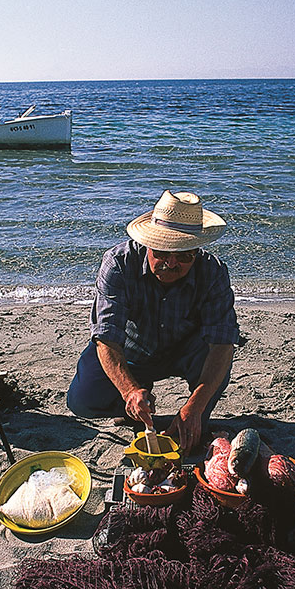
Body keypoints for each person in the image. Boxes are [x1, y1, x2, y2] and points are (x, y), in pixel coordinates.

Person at [66, 190, 239, 454]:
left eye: (184, 256)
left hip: (187, 351)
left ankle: (193, 415)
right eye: (162, 252)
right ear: (149, 243)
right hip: (132, 349)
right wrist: (129, 391)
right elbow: (106, 337)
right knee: (81, 401)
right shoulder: (119, 264)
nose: (171, 263)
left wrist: (195, 406)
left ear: (197, 251)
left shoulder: (213, 271)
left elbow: (223, 344)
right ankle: (135, 407)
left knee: (214, 373)